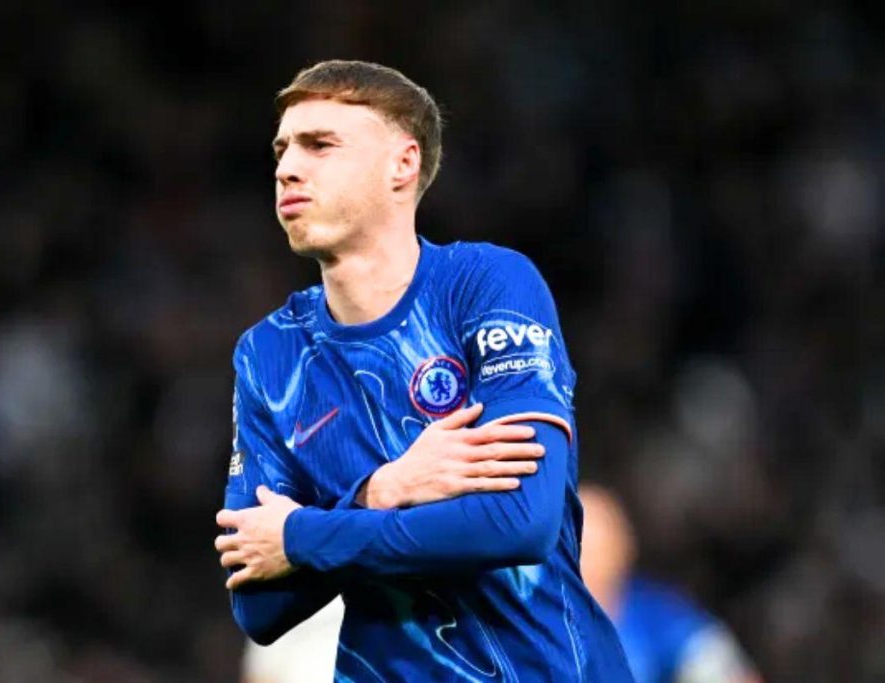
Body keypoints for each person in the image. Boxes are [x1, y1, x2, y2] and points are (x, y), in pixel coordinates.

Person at [214, 60, 633, 681]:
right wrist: (378, 491)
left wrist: (304, 537)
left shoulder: (485, 285)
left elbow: (521, 520)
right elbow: (258, 603)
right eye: (282, 149)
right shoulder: (268, 355)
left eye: (320, 145)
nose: (287, 168)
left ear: (402, 164)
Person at [579, 484, 762, 683]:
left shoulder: (659, 617)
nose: (587, 561)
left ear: (624, 548)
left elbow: (731, 674)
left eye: (597, 547)